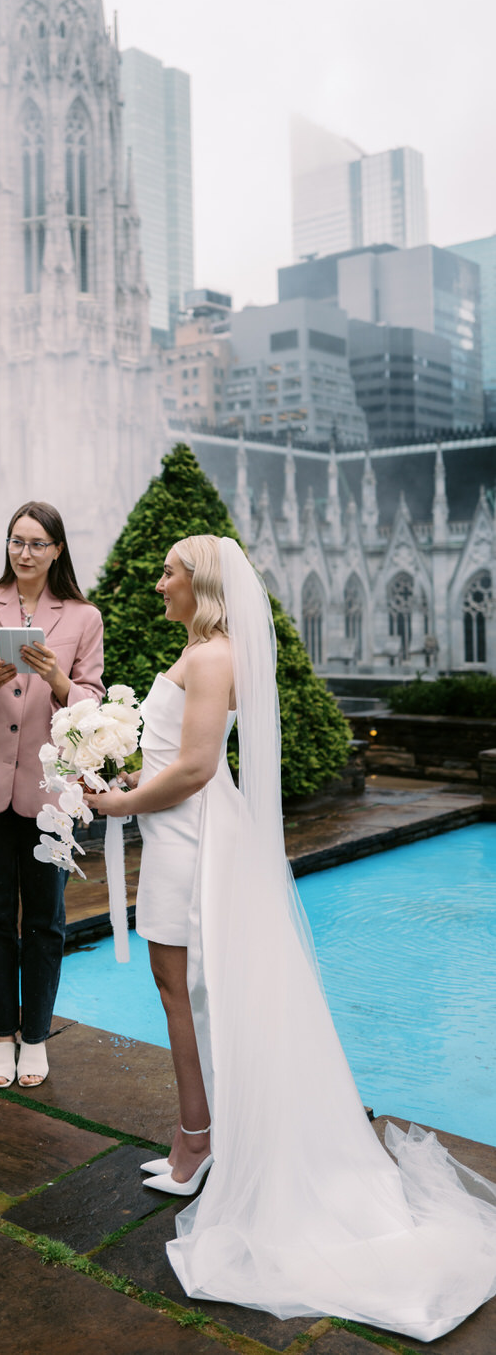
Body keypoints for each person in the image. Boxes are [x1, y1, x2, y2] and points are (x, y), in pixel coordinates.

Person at [85, 534, 496, 1343]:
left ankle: (197, 1144)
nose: (157, 580)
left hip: (191, 843)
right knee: (189, 995)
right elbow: (178, 757)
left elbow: (199, 766)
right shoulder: (205, 651)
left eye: (167, 570)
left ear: (197, 582)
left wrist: (116, 806)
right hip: (183, 834)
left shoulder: (208, 660)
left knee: (189, 995)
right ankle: (198, 1140)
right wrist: (134, 780)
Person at [0, 501, 104, 1090]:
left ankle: (36, 1035)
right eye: (16, 541)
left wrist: (58, 680)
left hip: (51, 793)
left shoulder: (83, 617)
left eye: (36, 543)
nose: (24, 552)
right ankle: (1, 1035)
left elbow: (92, 704)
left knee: (48, 920)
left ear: (57, 550)